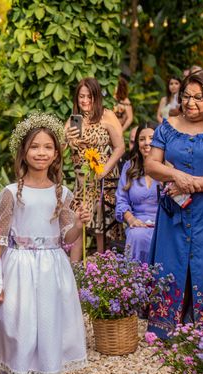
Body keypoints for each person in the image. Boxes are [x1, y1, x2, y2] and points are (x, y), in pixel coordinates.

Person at [0, 113, 88, 374]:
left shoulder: (62, 193)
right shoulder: (11, 192)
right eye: (35, 147)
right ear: (24, 152)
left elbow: (68, 237)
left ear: (56, 153)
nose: (41, 153)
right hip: (19, 265)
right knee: (13, 322)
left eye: (48, 147)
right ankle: (8, 362)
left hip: (51, 267)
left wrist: (79, 223)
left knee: (44, 328)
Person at [144, 69, 203, 339]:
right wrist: (175, 175)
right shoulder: (168, 126)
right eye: (186, 96)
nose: (190, 103)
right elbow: (151, 164)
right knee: (171, 259)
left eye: (199, 98)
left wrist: (193, 183)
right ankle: (166, 327)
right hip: (173, 209)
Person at [65, 77, 125, 261]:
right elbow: (58, 152)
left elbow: (120, 147)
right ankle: (75, 270)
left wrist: (104, 171)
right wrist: (65, 137)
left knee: (101, 225)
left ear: (96, 97)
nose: (84, 101)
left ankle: (100, 270)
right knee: (78, 220)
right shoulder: (74, 120)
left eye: (89, 96)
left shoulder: (107, 116)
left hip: (103, 178)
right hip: (82, 180)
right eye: (81, 96)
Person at [115, 122, 160, 263]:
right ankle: (136, 281)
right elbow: (121, 200)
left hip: (164, 223)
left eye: (151, 138)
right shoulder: (130, 167)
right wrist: (131, 219)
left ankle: (161, 283)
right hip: (138, 223)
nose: (147, 143)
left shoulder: (167, 166)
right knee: (137, 236)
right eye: (142, 139)